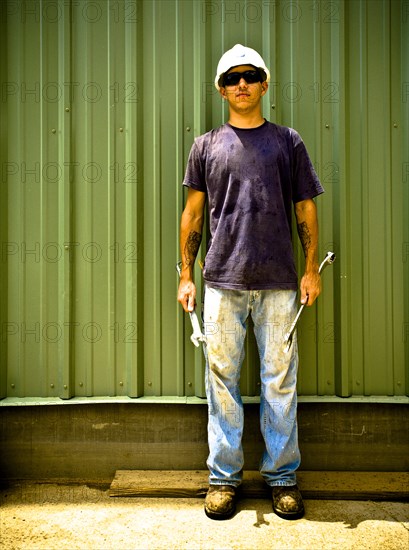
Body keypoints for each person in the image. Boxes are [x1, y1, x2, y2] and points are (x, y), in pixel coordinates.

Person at [177, 44, 324, 521]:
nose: (242, 83)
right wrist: (185, 273)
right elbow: (193, 214)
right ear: (221, 90)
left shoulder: (288, 142)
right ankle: (223, 478)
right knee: (221, 382)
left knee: (279, 381)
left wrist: (309, 269)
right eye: (232, 77)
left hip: (281, 283)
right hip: (221, 283)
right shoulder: (206, 145)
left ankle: (281, 477)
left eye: (251, 75)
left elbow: (305, 206)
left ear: (264, 84)